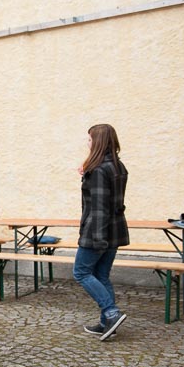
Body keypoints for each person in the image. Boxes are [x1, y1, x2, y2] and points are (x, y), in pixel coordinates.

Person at [75, 124, 129, 340]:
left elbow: (99, 207)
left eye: (90, 139)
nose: (87, 143)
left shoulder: (98, 170)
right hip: (114, 230)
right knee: (101, 275)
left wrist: (97, 239)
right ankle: (107, 323)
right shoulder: (117, 166)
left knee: (81, 272)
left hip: (98, 231)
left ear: (98, 142)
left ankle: (111, 313)